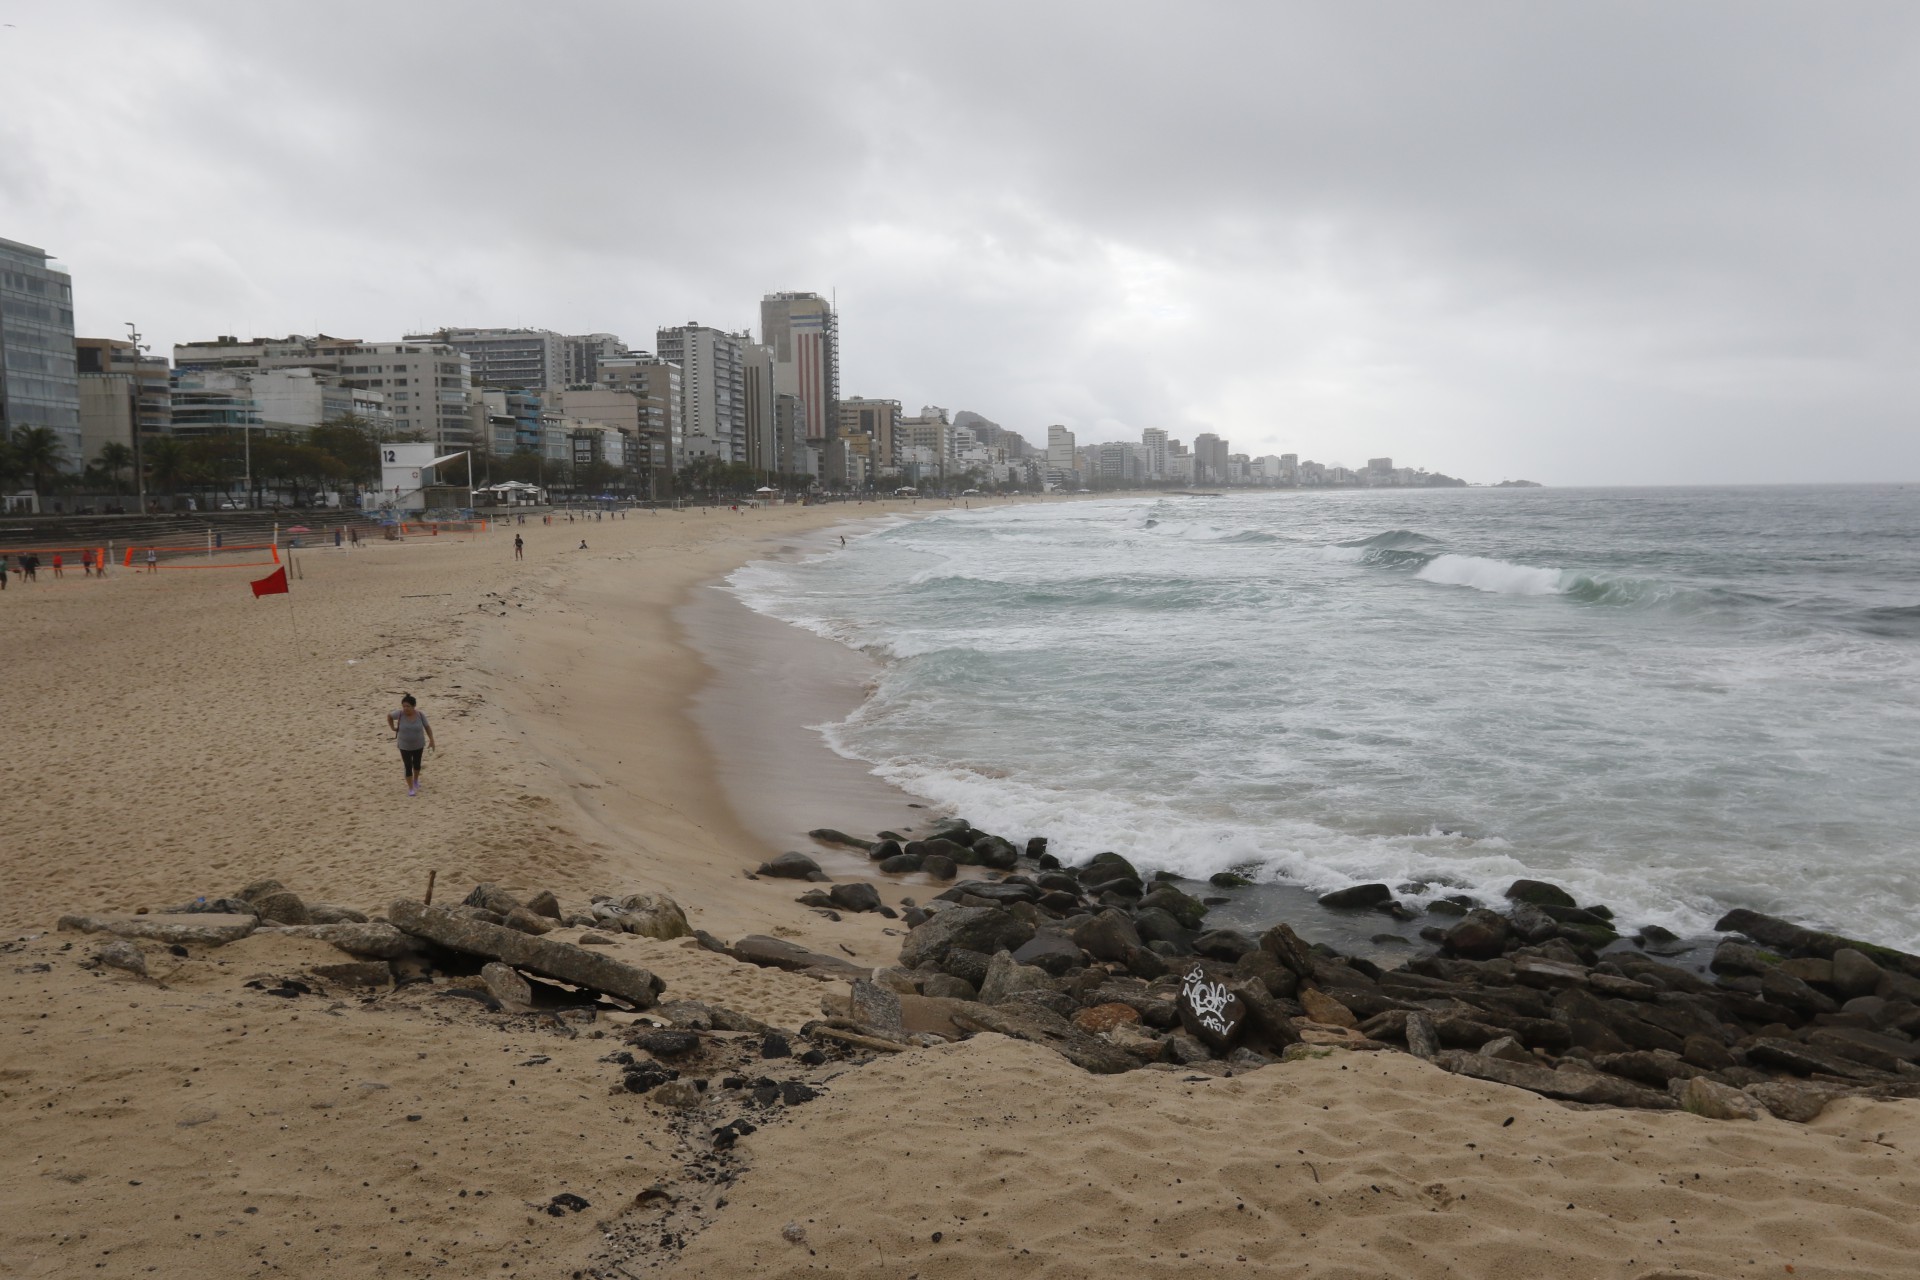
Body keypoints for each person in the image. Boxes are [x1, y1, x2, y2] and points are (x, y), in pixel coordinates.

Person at [386, 694, 436, 797]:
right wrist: (392, 728)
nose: (405, 708)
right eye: (404, 706)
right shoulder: (399, 714)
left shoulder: (420, 715)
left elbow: (427, 727)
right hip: (404, 746)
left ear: (413, 706)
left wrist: (431, 740)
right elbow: (389, 716)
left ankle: (416, 780)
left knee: (417, 765)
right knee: (408, 766)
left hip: (418, 744)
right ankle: (411, 788)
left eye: (408, 706)